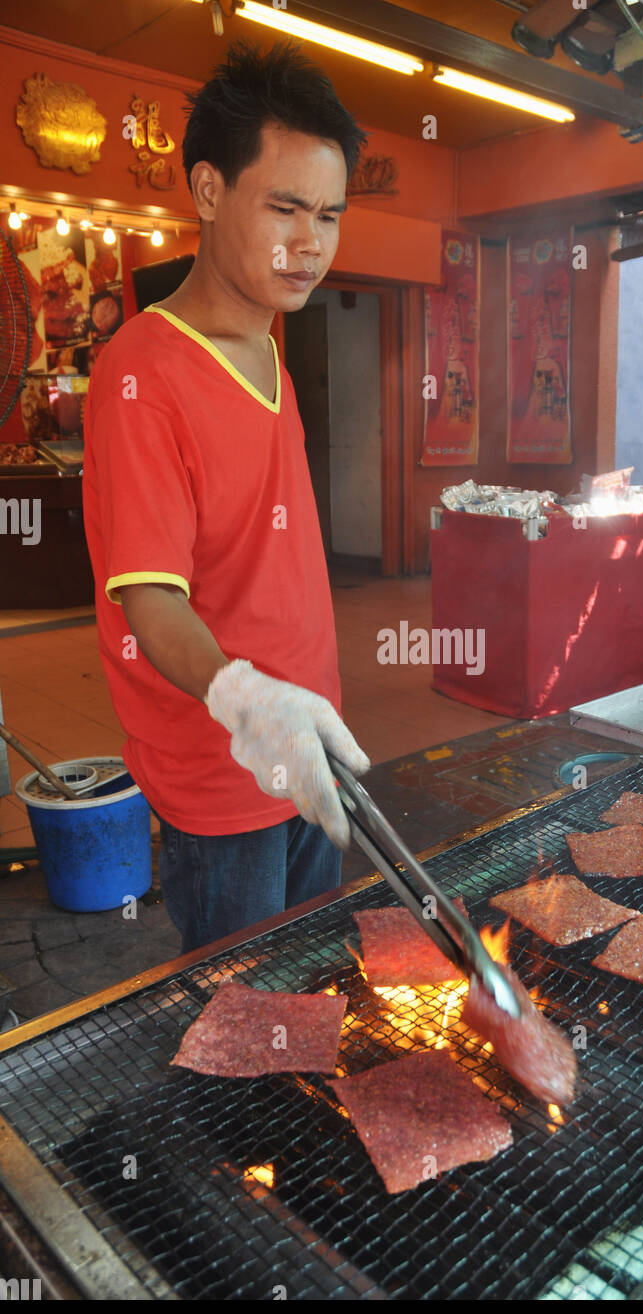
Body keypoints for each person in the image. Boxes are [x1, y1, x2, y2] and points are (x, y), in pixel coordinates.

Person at [82, 42, 370, 954]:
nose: (309, 242)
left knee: (314, 998)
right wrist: (251, 703)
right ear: (208, 190)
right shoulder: (143, 371)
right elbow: (149, 597)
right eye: (283, 207)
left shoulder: (268, 350)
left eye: (327, 214)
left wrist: (304, 716)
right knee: (244, 1034)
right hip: (226, 768)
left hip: (311, 752)